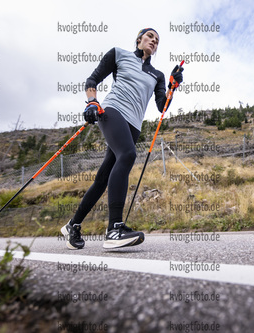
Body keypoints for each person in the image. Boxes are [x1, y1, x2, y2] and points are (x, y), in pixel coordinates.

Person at [61, 28, 183, 250]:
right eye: (150, 37)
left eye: (157, 40)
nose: (154, 41)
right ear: (139, 40)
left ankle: (73, 225)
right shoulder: (119, 54)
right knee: (127, 155)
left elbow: (161, 106)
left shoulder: (158, 75)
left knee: (103, 178)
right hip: (112, 111)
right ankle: (114, 229)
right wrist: (91, 102)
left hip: (133, 125)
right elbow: (93, 79)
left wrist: (173, 87)